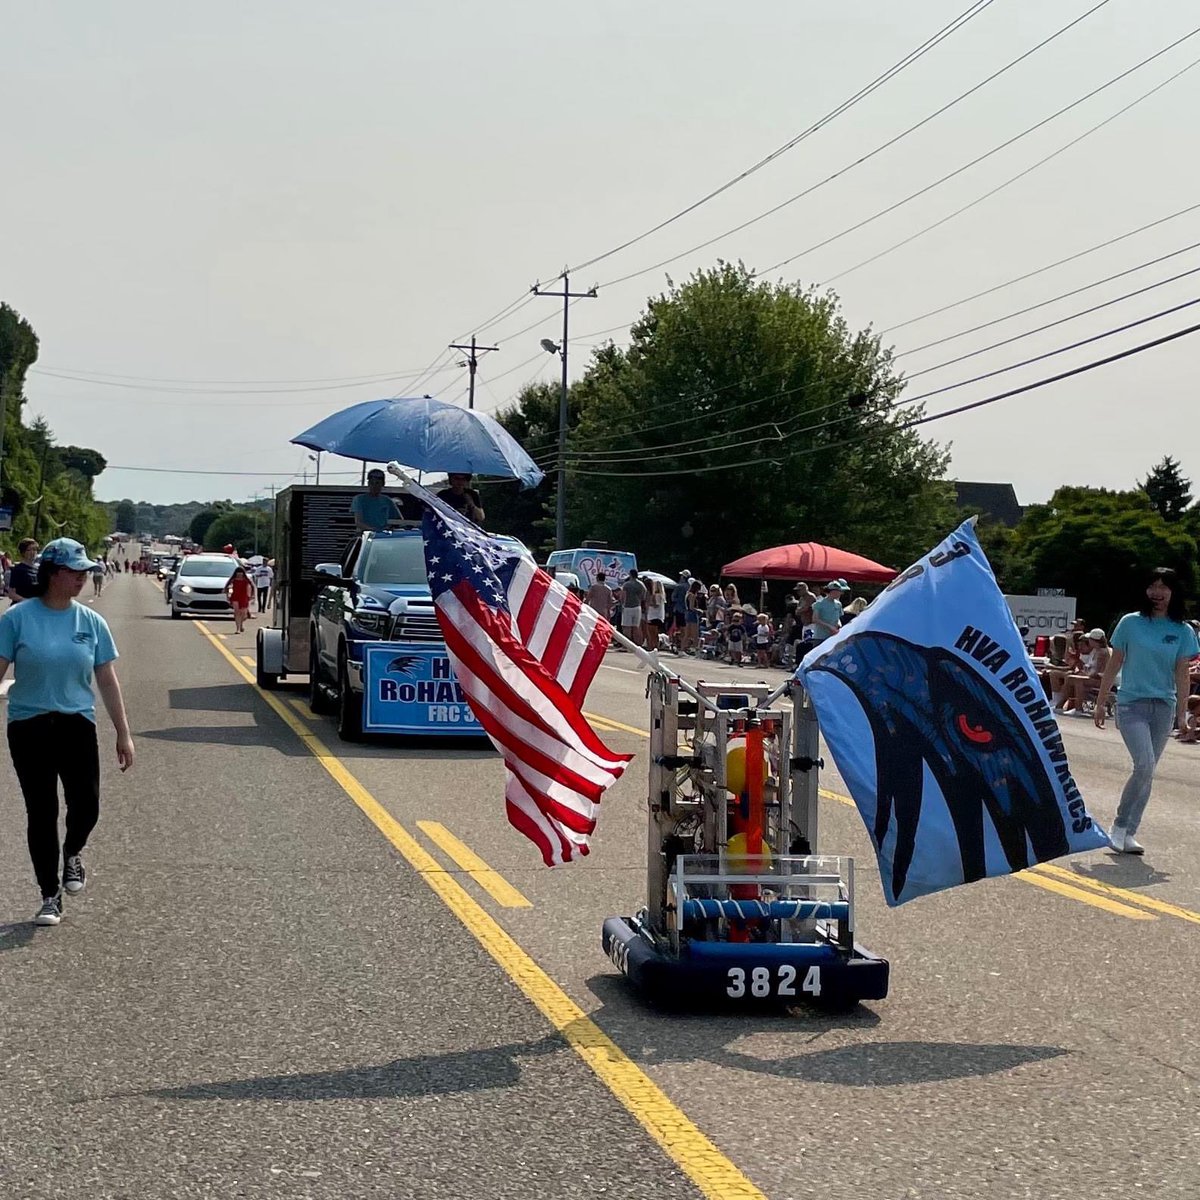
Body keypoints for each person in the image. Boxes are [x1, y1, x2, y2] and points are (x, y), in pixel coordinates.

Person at [0, 538, 134, 926]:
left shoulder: (91, 622)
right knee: (41, 812)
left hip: (77, 724)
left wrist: (122, 733)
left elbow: (107, 680)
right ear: (52, 574)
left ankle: (73, 853)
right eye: (74, 572)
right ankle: (49, 895)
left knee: (87, 805)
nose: (82, 578)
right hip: (29, 726)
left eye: (84, 572)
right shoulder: (17, 619)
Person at [1093, 567, 1200, 853]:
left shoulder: (1183, 630)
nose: (1158, 592)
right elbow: (1114, 664)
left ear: (1173, 592)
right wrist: (1102, 702)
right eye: (1152, 586)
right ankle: (1119, 825)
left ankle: (1129, 832)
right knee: (1144, 765)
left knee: (1147, 771)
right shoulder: (1130, 623)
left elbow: (1182, 674)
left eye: (1164, 587)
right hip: (1131, 704)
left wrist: (1182, 713)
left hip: (1163, 706)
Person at [1057, 628, 1111, 715]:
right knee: (1070, 676)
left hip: (1101, 680)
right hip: (1094, 678)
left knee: (1078, 680)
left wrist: (1083, 674)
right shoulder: (1096, 651)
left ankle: (1078, 709)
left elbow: (1097, 672)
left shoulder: (1102, 652)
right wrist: (1083, 672)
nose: (1088, 641)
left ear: (1094, 640)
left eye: (1090, 639)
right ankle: (1060, 706)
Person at [618, 568, 647, 647]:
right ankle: (638, 644)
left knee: (627, 627)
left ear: (630, 574)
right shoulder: (641, 585)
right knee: (636, 627)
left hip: (628, 607)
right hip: (637, 607)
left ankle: (627, 645)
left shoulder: (627, 584)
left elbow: (623, 597)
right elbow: (643, 596)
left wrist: (621, 604)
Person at [7, 538, 40, 603]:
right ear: (23, 552)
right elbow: (11, 593)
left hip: (35, 608)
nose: (32, 552)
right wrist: (25, 601)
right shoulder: (18, 570)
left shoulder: (38, 569)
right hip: (21, 607)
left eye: (34, 549)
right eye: (29, 550)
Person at [225, 565, 255, 634]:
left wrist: (252, 595)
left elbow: (252, 586)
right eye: (238, 572)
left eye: (241, 572)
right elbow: (227, 587)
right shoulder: (233, 579)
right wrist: (227, 596)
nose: (239, 574)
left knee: (244, 614)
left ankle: (241, 624)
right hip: (235, 597)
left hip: (244, 597)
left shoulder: (246, 579)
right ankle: (238, 628)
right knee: (237, 612)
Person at [643, 576, 666, 648]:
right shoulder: (662, 596)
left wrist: (649, 603)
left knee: (652, 633)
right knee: (654, 633)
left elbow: (656, 605)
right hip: (658, 616)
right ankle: (655, 645)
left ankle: (652, 646)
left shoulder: (657, 595)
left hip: (653, 616)